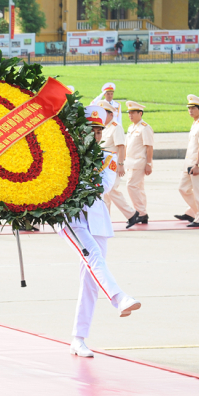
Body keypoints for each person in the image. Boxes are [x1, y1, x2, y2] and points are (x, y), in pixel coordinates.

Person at [63, 106, 142, 358]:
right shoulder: (65, 155)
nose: (96, 135)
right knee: (94, 256)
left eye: (99, 131)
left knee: (91, 281)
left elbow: (103, 186)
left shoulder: (106, 158)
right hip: (72, 219)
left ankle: (78, 337)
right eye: (91, 130)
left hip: (97, 220)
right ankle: (119, 298)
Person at [97, 102, 140, 228]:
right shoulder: (102, 127)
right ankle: (106, 221)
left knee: (111, 190)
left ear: (111, 114)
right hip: (103, 165)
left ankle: (131, 214)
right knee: (105, 193)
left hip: (113, 165)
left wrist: (121, 164)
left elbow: (121, 147)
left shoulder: (116, 127)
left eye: (104, 113)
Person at [175, 95, 199, 227]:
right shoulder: (195, 123)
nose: (190, 110)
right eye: (189, 108)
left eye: (193, 108)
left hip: (197, 164)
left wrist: (198, 164)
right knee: (183, 189)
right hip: (189, 163)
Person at [124, 101, 154, 225]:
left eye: (133, 113)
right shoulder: (131, 127)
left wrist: (149, 164)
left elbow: (149, 147)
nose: (130, 115)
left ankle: (141, 213)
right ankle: (142, 212)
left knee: (131, 186)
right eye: (129, 113)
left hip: (139, 162)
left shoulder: (145, 128)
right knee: (139, 188)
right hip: (130, 162)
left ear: (140, 113)